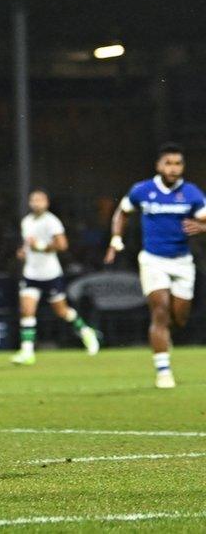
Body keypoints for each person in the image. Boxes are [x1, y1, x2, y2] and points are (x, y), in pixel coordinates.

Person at [104, 143, 206, 389]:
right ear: (158, 165)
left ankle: (165, 338)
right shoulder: (143, 190)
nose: (173, 168)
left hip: (182, 262)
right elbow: (122, 212)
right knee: (159, 311)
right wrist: (116, 239)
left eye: (178, 163)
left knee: (179, 318)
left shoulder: (191, 193)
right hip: (153, 260)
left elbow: (204, 218)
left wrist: (202, 227)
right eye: (168, 163)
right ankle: (163, 371)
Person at [11, 189, 100, 365]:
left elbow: (63, 245)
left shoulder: (51, 221)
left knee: (62, 311)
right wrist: (23, 251)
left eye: (40, 200)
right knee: (27, 311)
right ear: (30, 203)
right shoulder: (27, 221)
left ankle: (86, 332)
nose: (37, 203)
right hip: (31, 273)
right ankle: (27, 352)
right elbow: (29, 245)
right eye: (34, 200)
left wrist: (42, 246)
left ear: (46, 203)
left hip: (50, 274)